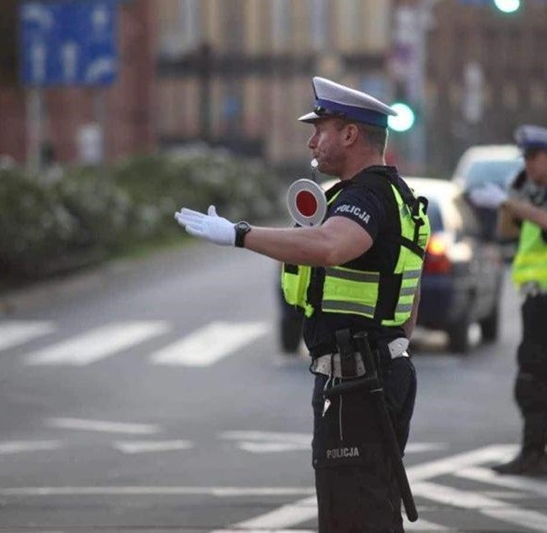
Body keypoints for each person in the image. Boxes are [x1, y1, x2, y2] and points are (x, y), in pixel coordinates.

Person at [174, 77, 430, 532]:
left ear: (350, 134)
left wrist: (239, 234)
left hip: (360, 383)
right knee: (367, 511)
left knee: (354, 519)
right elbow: (406, 308)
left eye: (321, 129)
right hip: (373, 376)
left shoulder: (366, 197)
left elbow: (331, 245)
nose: (312, 141)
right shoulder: (394, 195)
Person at [470, 125, 547, 476]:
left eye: (534, 158)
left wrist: (509, 201)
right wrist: (512, 198)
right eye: (527, 160)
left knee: (533, 378)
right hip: (543, 300)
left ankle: (534, 454)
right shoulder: (536, 196)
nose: (530, 166)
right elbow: (506, 232)